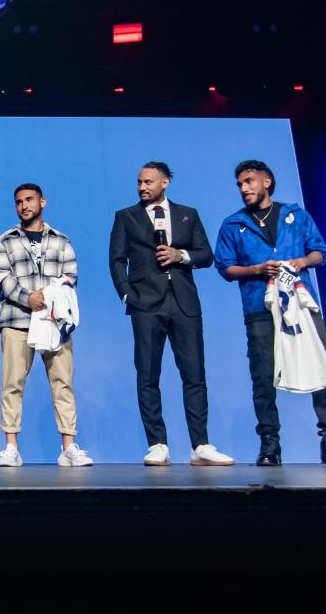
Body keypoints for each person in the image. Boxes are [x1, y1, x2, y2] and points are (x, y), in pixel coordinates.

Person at [213, 160, 326, 466]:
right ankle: (270, 444)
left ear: (266, 182)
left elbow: (320, 251)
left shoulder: (296, 214)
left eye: (249, 181)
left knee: (322, 368)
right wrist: (256, 268)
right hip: (260, 308)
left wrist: (301, 262)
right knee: (264, 376)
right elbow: (225, 267)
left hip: (301, 305)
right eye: (240, 184)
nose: (244, 188)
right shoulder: (233, 224)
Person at [109, 162, 234, 466]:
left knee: (194, 375)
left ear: (165, 182)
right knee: (148, 375)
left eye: (148, 182)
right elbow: (117, 259)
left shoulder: (187, 214)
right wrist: (129, 295)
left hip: (184, 303)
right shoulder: (126, 217)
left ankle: (200, 444)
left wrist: (181, 255)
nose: (142, 187)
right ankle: (157, 443)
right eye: (139, 182)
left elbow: (206, 255)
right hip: (146, 305)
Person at [0, 183, 93, 467]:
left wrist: (46, 299)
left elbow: (71, 276)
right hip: (16, 320)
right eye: (19, 202)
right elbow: (2, 278)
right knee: (12, 383)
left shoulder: (61, 240)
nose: (24, 205)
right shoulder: (6, 240)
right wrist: (28, 298)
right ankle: (11, 446)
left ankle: (68, 446)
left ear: (42, 202)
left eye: (29, 200)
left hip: (54, 321)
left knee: (63, 382)